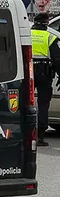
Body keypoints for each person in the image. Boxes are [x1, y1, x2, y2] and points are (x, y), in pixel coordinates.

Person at [31, 12, 60, 146]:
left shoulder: (26, 34)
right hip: (44, 72)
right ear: (47, 23)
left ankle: (25, 134)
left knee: (24, 103)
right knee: (43, 104)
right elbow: (57, 60)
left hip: (27, 71)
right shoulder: (50, 37)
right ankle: (40, 137)